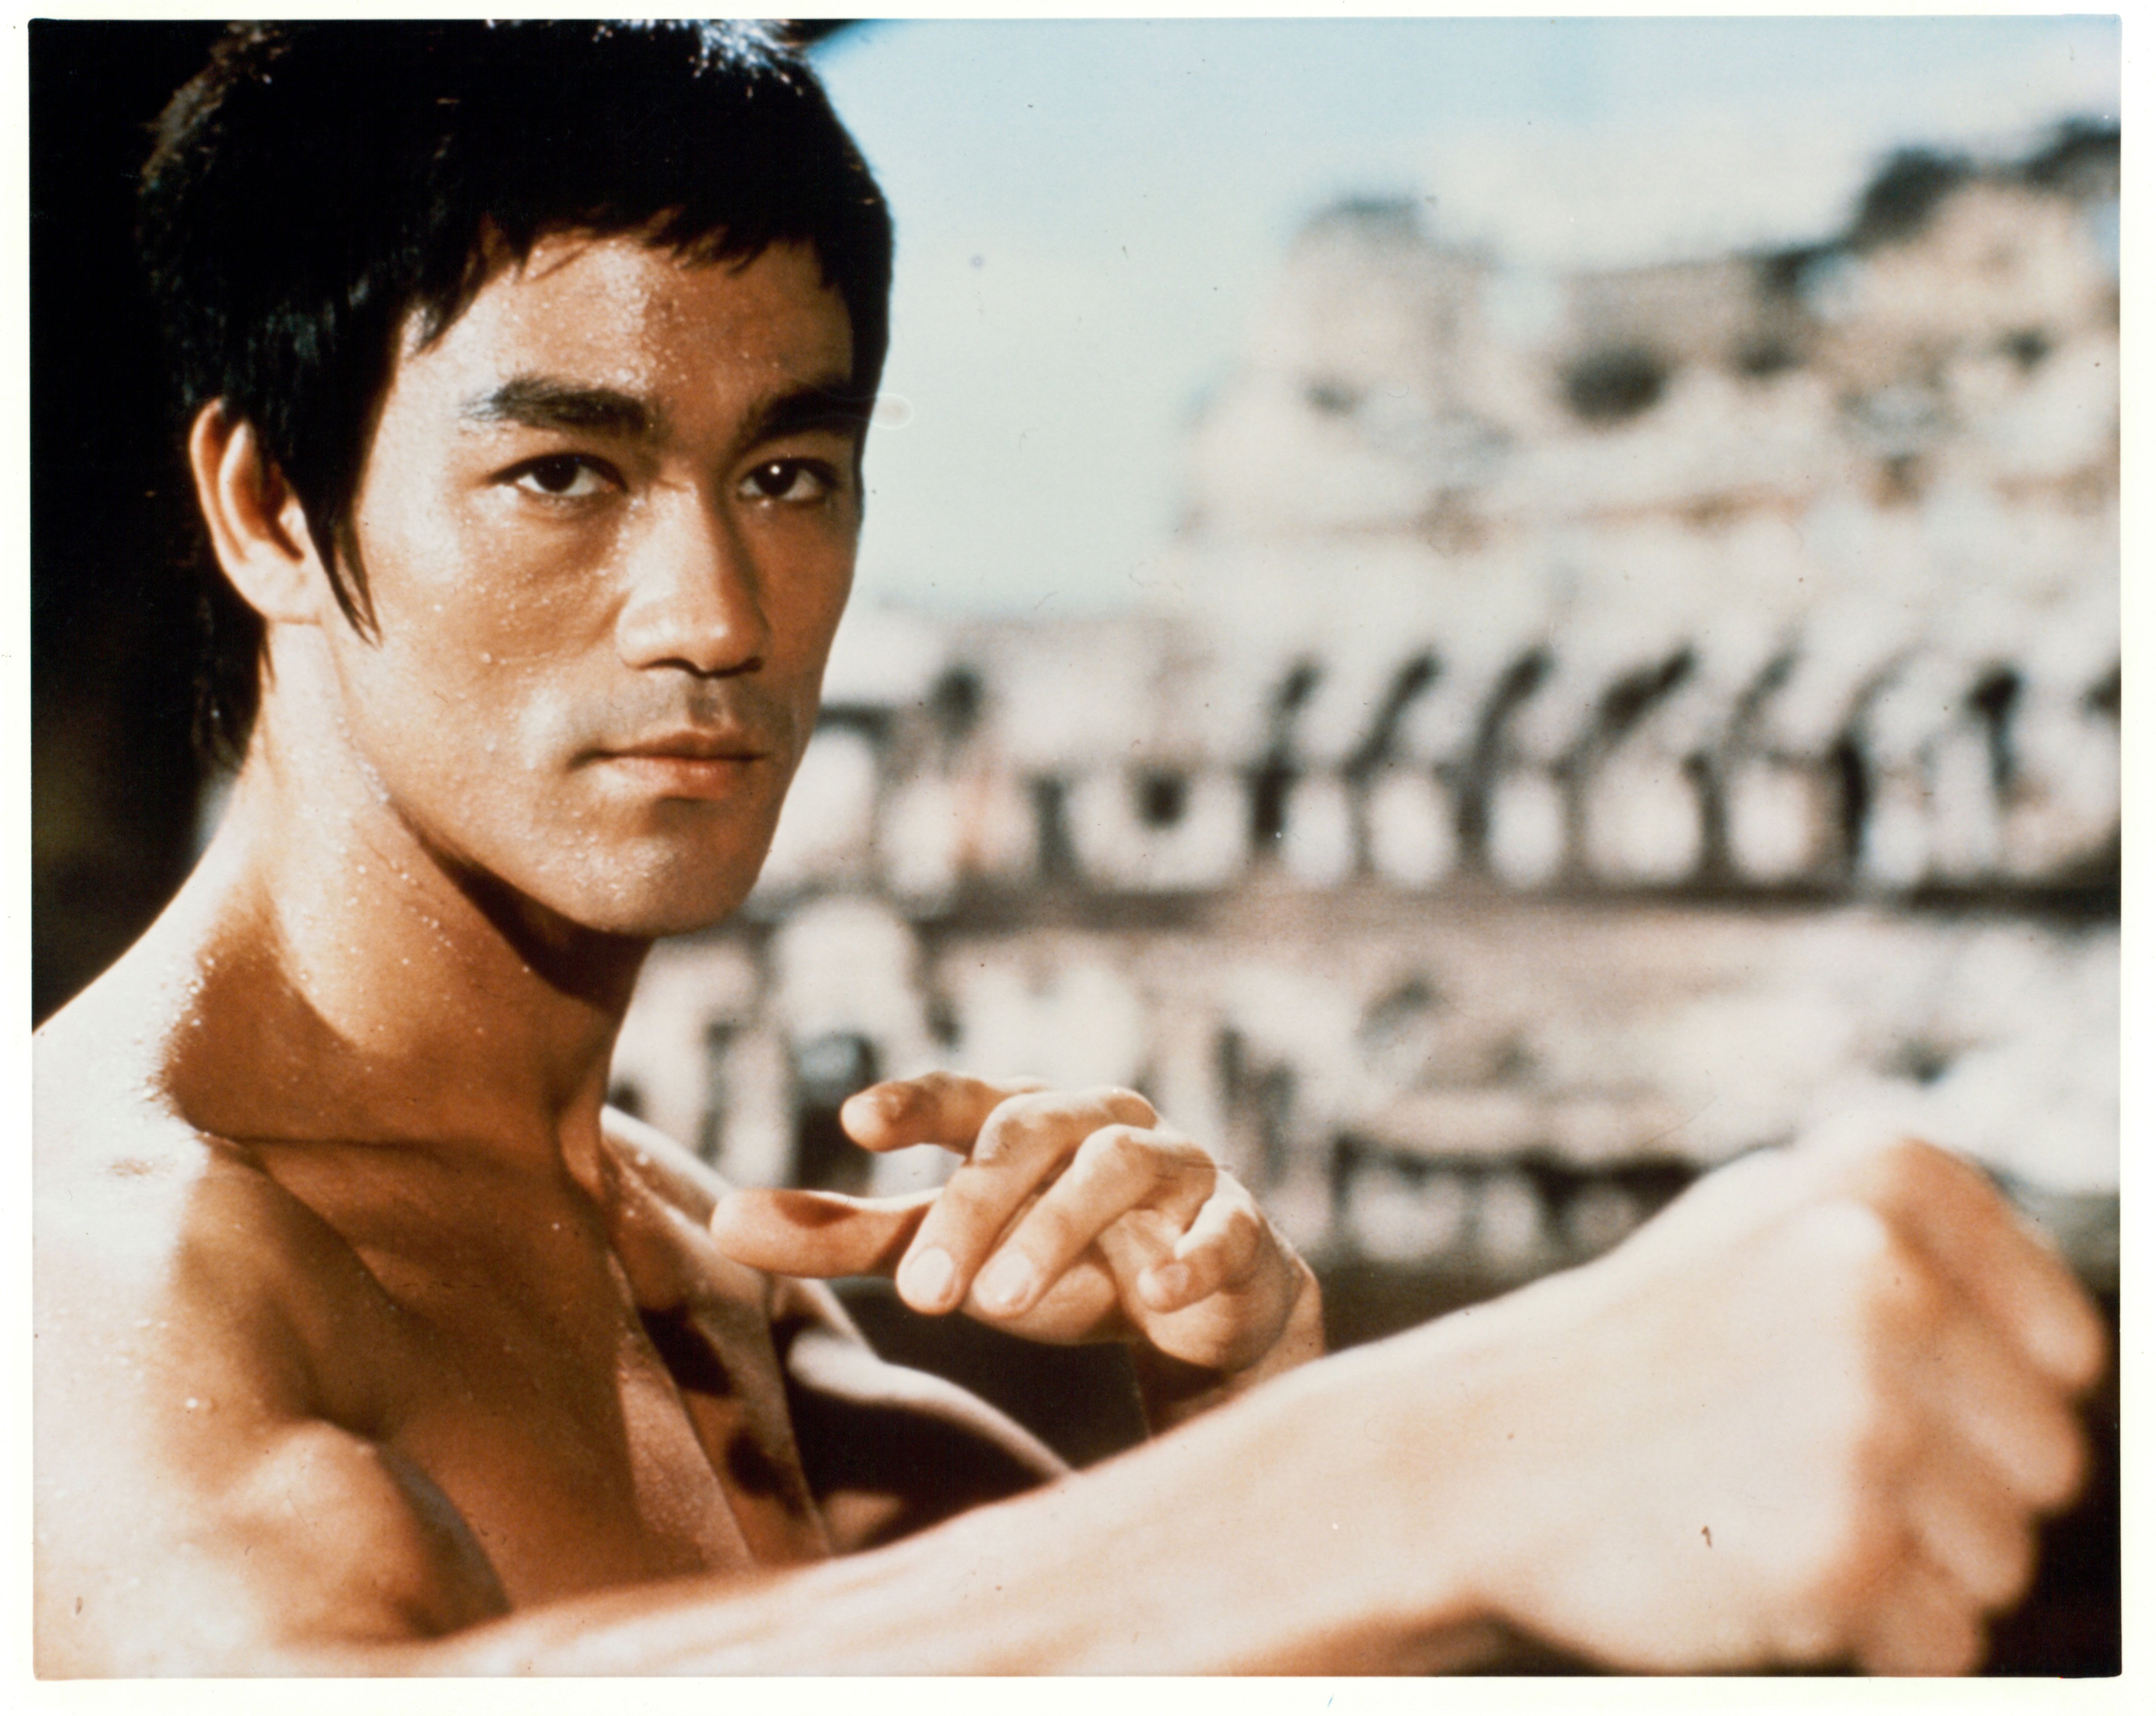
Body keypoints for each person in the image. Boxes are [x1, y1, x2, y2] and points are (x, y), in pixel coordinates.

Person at [33, 21, 2105, 1677]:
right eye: (568, 470)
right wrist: (1412, 1478)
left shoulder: (715, 1289)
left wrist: (1249, 1410)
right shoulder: (98, 1256)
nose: (718, 613)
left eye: (787, 471)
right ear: (272, 512)